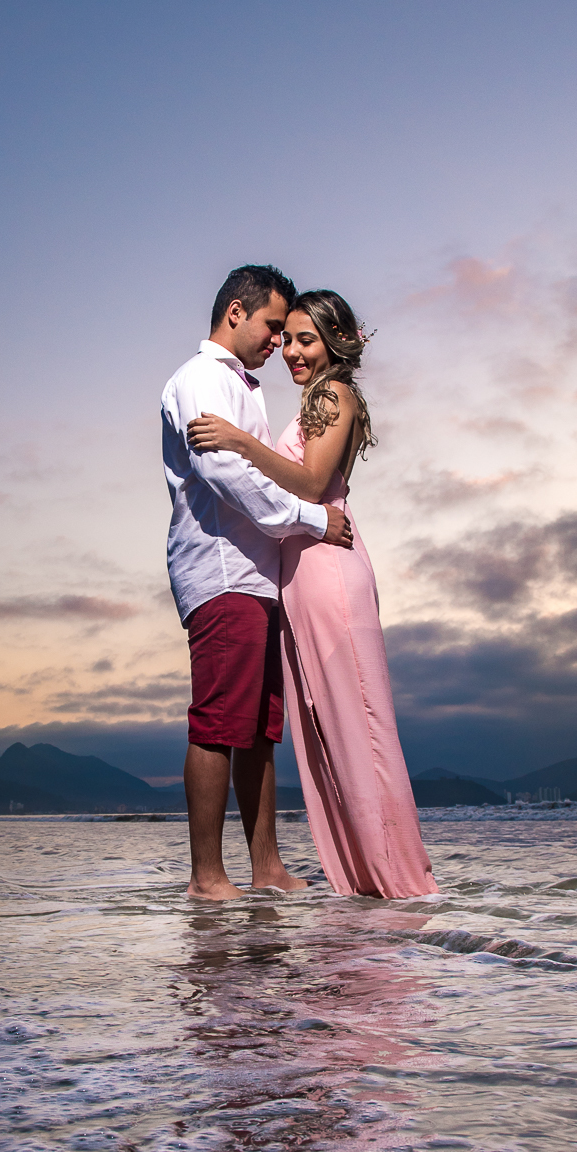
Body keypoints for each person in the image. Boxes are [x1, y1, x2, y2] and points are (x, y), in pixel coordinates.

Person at [188, 290, 437, 900]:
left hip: (328, 571)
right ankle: (364, 881)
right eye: (288, 338)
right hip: (303, 572)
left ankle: (399, 881)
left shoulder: (332, 394)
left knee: (358, 724)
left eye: (306, 340)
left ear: (335, 342)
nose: (292, 351)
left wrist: (241, 443)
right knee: (328, 725)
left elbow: (312, 481)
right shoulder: (315, 400)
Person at [162, 265, 354, 899]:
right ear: (236, 314)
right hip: (222, 571)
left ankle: (266, 867)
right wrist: (311, 521)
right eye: (274, 327)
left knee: (259, 727)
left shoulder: (245, 388)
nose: (280, 342)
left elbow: (258, 467)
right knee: (220, 720)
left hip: (257, 574)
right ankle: (206, 876)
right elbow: (226, 477)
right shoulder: (200, 379)